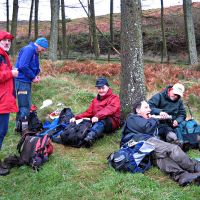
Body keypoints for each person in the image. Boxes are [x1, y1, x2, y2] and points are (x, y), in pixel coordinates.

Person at [121, 100, 200, 186]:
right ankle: (194, 166)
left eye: (149, 107)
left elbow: (162, 128)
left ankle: (182, 176)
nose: (149, 109)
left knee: (162, 159)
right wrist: (155, 118)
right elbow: (147, 128)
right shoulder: (132, 118)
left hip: (145, 152)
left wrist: (165, 121)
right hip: (140, 143)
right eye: (146, 107)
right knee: (173, 149)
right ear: (138, 110)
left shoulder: (146, 119)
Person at [70, 77, 120, 147]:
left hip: (111, 122)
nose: (101, 90)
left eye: (103, 88)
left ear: (108, 87)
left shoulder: (114, 98)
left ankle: (90, 138)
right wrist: (76, 118)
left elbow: (110, 109)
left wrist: (97, 116)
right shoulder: (95, 100)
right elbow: (88, 113)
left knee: (103, 120)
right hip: (97, 121)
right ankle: (86, 136)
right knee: (87, 122)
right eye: (99, 88)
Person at [15, 37, 48, 130]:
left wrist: (35, 75)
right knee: (25, 106)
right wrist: (33, 77)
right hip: (22, 82)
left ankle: (18, 126)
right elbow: (23, 66)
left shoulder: (34, 51)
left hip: (25, 81)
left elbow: (30, 65)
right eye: (44, 48)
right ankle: (24, 129)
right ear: (40, 45)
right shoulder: (29, 50)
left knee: (23, 105)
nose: (44, 51)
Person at [0, 31, 18, 175]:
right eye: (4, 40)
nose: (7, 43)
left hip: (4, 101)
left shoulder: (4, 57)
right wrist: (10, 74)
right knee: (0, 132)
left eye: (9, 41)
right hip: (1, 102)